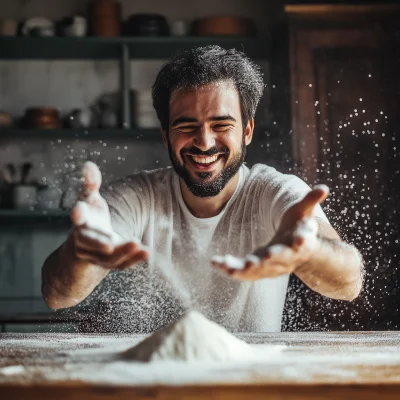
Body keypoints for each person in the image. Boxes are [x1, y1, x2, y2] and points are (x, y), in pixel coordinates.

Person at [42, 46, 363, 333]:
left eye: (221, 125)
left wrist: (310, 251)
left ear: (247, 130)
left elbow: (349, 283)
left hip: (253, 385)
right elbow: (58, 296)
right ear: (166, 135)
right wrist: (79, 252)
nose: (205, 142)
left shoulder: (275, 192)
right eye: (186, 126)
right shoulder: (136, 197)